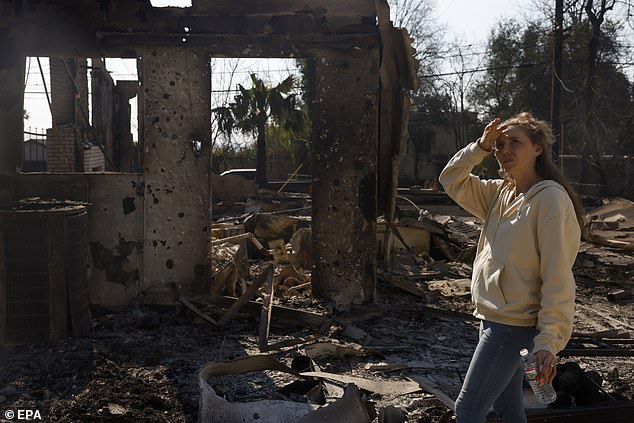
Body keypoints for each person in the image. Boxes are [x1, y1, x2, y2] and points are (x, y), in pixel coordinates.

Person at [438, 112, 584, 423]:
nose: (505, 150)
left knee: (467, 410)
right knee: (507, 410)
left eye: (515, 143)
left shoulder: (550, 200)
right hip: (491, 319)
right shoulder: (499, 194)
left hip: (514, 327)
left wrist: (548, 340)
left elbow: (558, 274)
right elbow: (450, 178)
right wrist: (480, 146)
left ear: (537, 149)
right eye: (500, 145)